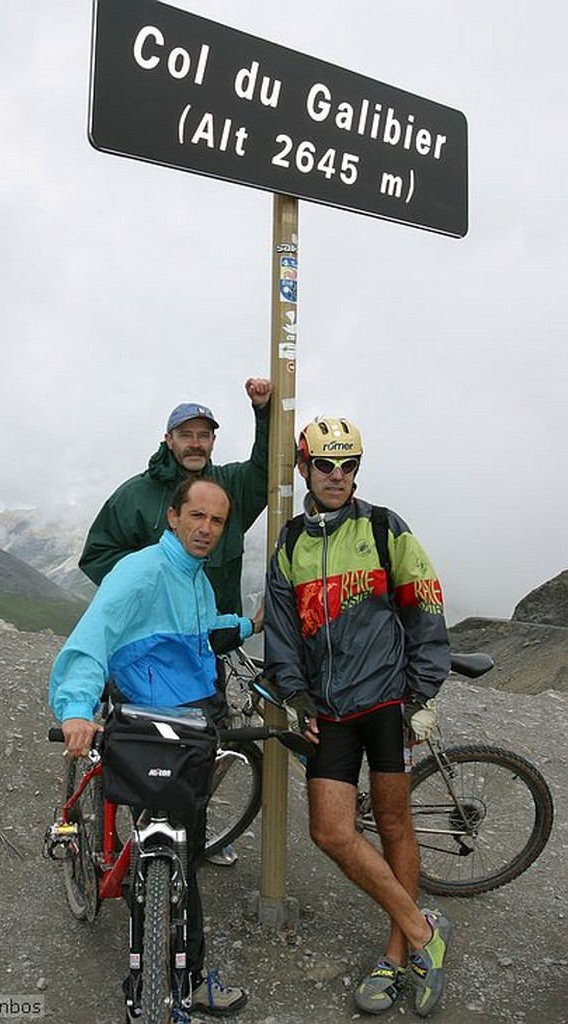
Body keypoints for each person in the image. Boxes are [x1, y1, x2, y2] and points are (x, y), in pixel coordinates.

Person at [50, 478, 262, 1022]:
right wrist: (75, 707)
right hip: (148, 721)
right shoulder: (140, 571)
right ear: (173, 516)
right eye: (197, 516)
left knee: (182, 844)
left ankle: (173, 962)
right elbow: (93, 635)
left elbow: (199, 632)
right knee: (173, 851)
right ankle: (169, 981)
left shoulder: (197, 579)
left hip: (195, 716)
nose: (206, 529)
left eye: (216, 521)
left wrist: (244, 625)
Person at [263, 416, 452, 1018]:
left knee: (395, 825)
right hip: (330, 712)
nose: (338, 476)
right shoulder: (290, 543)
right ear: (305, 468)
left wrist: (421, 694)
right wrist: (294, 694)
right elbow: (284, 636)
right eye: (326, 465)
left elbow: (424, 603)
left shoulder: (381, 526)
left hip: (387, 703)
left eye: (349, 466)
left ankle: (397, 955)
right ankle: (424, 931)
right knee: (331, 832)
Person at [78, 377, 272, 616]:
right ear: (169, 440)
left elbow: (271, 466)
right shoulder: (135, 495)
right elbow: (97, 555)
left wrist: (264, 412)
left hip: (219, 642)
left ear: (213, 441)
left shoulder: (232, 486)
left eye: (203, 436)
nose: (195, 444)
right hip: (156, 640)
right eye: (185, 435)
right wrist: (153, 586)